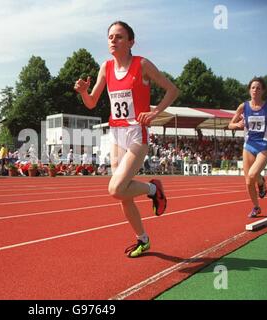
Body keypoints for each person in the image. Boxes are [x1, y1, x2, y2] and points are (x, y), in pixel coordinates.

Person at [74, 21, 179, 258]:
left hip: (136, 133)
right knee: (122, 194)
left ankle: (153, 189)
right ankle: (143, 239)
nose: (113, 40)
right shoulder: (106, 68)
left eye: (119, 37)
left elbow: (172, 90)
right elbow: (91, 103)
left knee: (116, 188)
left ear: (131, 42)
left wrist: (154, 112)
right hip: (116, 133)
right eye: (110, 36)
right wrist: (82, 92)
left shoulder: (142, 65)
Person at [228, 77, 267, 217]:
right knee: (248, 182)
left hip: (264, 145)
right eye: (253, 87)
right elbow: (230, 124)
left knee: (253, 174)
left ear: (263, 91)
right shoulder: (243, 107)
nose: (255, 90)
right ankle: (256, 207)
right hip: (248, 145)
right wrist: (237, 125)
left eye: (258, 88)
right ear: (249, 90)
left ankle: (261, 182)